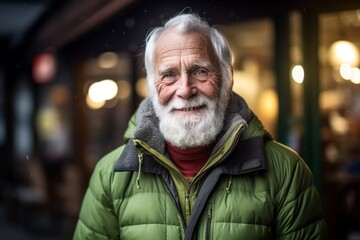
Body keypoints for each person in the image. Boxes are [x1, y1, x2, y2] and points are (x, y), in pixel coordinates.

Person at [73, 13, 327, 239]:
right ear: (152, 87)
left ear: (227, 79)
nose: (185, 90)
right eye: (169, 75)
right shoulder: (110, 175)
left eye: (200, 71)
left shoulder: (286, 171)